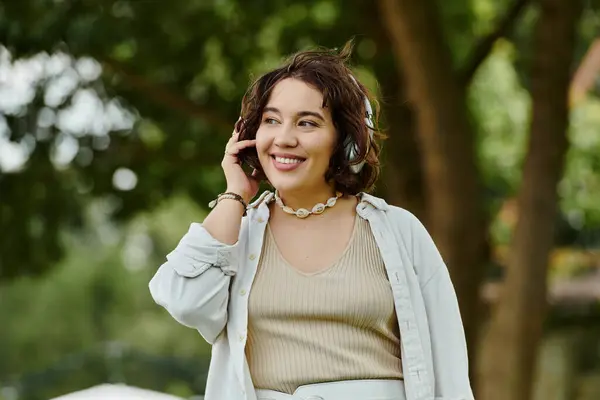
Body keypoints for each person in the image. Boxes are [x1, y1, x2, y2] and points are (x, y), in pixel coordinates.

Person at [149, 42, 474, 400]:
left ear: (346, 140)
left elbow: (449, 369)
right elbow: (184, 301)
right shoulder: (236, 235)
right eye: (271, 121)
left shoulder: (399, 231)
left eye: (307, 123)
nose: (284, 138)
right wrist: (234, 195)